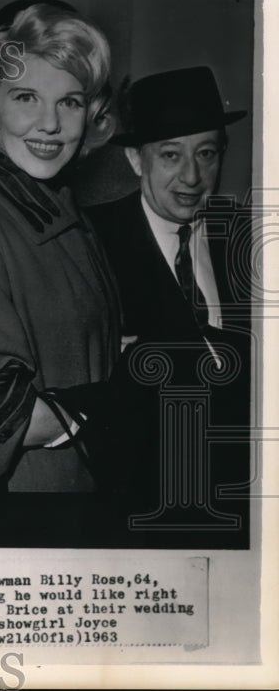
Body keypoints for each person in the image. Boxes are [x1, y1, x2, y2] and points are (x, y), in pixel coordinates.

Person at [0, 3, 121, 545]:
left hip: (75, 488)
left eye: (69, 101)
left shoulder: (59, 206)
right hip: (18, 508)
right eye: (26, 98)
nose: (50, 124)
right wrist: (129, 401)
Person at [87, 66, 251, 546]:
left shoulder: (245, 238)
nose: (192, 177)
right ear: (137, 160)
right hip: (136, 518)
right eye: (171, 155)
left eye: (206, 153)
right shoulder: (90, 241)